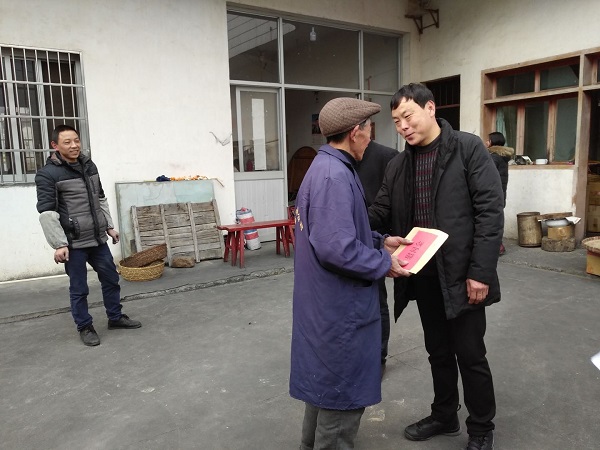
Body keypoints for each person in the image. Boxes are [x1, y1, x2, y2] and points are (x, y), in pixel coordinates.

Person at [369, 83, 504, 450]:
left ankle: (481, 429)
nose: (403, 126)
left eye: (408, 116)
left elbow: (490, 212)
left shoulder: (467, 148)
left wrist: (480, 273)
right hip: (424, 276)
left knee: (471, 355)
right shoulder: (399, 165)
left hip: (462, 275)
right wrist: (344, 222)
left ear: (430, 108)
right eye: (397, 121)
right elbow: (380, 210)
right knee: (438, 352)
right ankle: (444, 414)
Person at [289, 97, 412, 449]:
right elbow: (336, 248)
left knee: (324, 388)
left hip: (324, 304)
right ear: (355, 132)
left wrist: (381, 241)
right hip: (339, 308)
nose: (370, 140)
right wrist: (383, 262)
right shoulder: (334, 176)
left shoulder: (327, 166)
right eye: (369, 131)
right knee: (340, 395)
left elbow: (343, 230)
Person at [35, 125, 141, 347]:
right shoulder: (48, 174)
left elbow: (100, 198)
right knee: (79, 288)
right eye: (67, 142)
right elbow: (47, 212)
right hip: (73, 243)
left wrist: (109, 226)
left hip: (97, 239)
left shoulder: (89, 165)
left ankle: (115, 317)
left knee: (111, 279)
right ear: (55, 145)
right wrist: (59, 244)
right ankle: (85, 326)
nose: (74, 145)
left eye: (76, 140)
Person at [355, 140, 398, 375]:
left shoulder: (387, 156)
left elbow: (392, 203)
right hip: (349, 241)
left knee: (377, 300)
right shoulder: (342, 158)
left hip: (375, 239)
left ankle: (379, 357)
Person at [485, 131, 513, 255]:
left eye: (488, 140)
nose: (486, 142)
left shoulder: (493, 157)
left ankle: (497, 246)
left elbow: (487, 177)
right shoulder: (502, 157)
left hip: (492, 194)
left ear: (492, 142)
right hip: (500, 193)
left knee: (491, 221)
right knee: (497, 218)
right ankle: (498, 245)